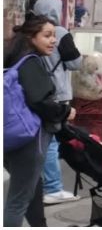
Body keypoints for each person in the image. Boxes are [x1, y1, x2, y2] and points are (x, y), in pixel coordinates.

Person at [4, 14, 75, 227]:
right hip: (30, 138)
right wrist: (65, 111)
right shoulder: (31, 63)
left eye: (54, 35)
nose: (53, 40)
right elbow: (40, 101)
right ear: (31, 37)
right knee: (18, 200)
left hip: (11, 136)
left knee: (32, 188)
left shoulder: (11, 60)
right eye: (47, 35)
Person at [32, 0, 82, 206]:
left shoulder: (32, 32)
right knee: (51, 142)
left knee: (43, 140)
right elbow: (75, 63)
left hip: (38, 91)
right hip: (58, 94)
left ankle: (41, 184)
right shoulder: (59, 33)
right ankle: (52, 187)